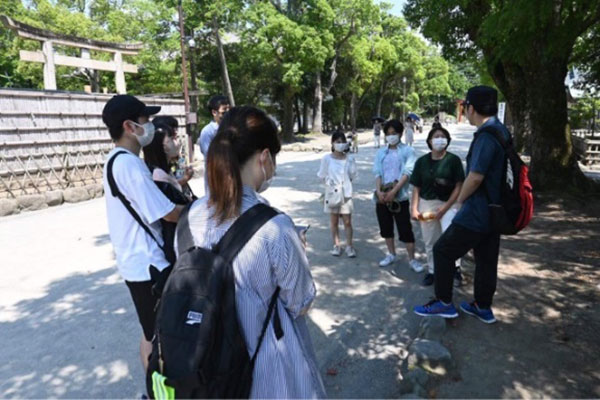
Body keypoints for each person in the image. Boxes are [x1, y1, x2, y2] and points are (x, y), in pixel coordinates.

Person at [183, 106, 326, 398]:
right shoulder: (275, 227)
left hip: (204, 366)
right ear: (264, 158)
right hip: (265, 373)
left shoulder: (189, 216)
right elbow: (300, 303)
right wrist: (297, 251)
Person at [101, 95, 184, 372]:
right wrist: (199, 208)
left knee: (150, 332)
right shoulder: (129, 164)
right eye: (145, 121)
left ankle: (153, 389)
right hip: (148, 264)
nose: (149, 126)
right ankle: (158, 387)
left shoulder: (115, 160)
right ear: (129, 126)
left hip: (135, 263)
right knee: (160, 336)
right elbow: (169, 213)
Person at [413, 86, 508, 324]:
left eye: (465, 107)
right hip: (496, 210)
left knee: (443, 250)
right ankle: (482, 307)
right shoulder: (501, 131)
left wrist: (459, 202)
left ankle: (444, 302)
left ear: (471, 108)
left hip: (478, 211)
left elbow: (475, 177)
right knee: (486, 258)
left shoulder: (486, 136)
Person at [410, 127, 465, 287]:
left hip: (450, 203)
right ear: (429, 141)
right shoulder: (422, 162)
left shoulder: (453, 160)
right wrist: (414, 208)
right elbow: (416, 187)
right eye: (436, 136)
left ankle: (455, 269)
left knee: (451, 238)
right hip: (427, 203)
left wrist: (446, 208)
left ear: (447, 141)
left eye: (443, 137)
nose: (439, 139)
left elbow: (459, 185)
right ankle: (433, 270)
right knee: (430, 240)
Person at [373, 119, 423, 272]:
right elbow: (377, 172)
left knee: (405, 229)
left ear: (400, 133)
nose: (391, 136)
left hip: (399, 198)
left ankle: (412, 259)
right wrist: (379, 192)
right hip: (382, 198)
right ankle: (391, 254)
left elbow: (407, 173)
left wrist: (394, 192)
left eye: (394, 133)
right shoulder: (381, 152)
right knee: (386, 228)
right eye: (388, 134)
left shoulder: (408, 151)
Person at [143, 124, 195, 263]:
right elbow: (172, 210)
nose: (177, 142)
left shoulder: (163, 171)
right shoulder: (158, 175)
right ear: (164, 146)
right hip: (176, 242)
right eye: (173, 138)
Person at [318, 130, 358, 257]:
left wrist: (344, 184)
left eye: (343, 142)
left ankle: (349, 246)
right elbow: (322, 175)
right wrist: (329, 187)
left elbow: (352, 175)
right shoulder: (327, 159)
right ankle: (336, 245)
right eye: (338, 142)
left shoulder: (350, 159)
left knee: (347, 221)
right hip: (332, 193)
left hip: (346, 194)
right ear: (332, 143)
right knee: (334, 221)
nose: (340, 144)